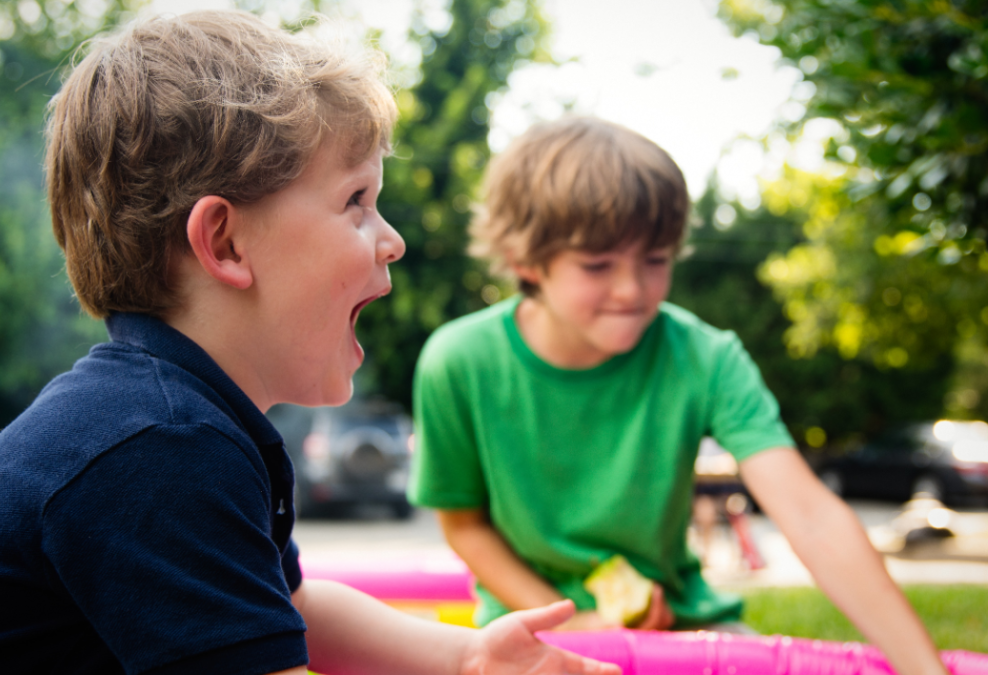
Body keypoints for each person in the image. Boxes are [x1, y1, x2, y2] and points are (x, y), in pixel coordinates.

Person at [0, 13, 621, 675]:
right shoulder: (158, 447)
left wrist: (469, 658)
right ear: (224, 241)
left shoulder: (175, 418)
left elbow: (297, 609)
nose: (394, 239)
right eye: (356, 201)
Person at [407, 116, 950, 675]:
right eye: (597, 265)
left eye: (656, 260)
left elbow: (809, 515)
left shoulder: (706, 357)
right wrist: (566, 619)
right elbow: (465, 524)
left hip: (682, 624)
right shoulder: (458, 361)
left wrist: (923, 671)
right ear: (526, 262)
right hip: (527, 628)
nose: (632, 289)